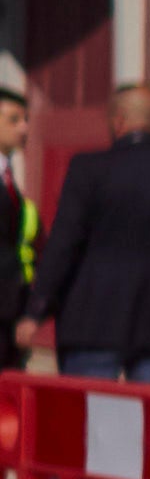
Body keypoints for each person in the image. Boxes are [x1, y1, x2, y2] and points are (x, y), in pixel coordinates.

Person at [21, 80, 150, 383]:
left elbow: (63, 245)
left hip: (92, 322)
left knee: (87, 408)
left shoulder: (89, 170)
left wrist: (36, 310)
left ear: (118, 121)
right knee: (148, 409)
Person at [0, 68, 37, 345]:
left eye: (25, 120)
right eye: (14, 120)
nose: (24, 128)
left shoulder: (9, 177)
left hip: (11, 308)